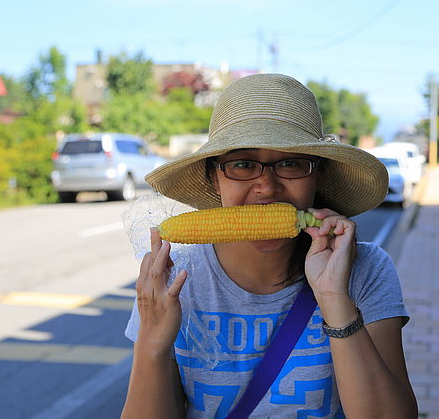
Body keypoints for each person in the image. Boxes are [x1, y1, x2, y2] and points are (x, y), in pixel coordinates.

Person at [121, 73, 417, 419]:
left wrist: (335, 298)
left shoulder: (364, 269)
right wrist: (152, 344)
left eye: (291, 163)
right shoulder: (173, 282)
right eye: (243, 164)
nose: (267, 187)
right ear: (214, 179)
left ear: (317, 175)